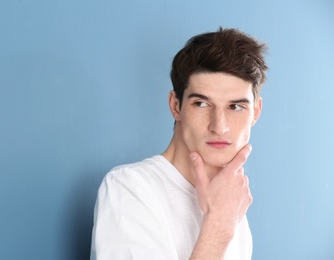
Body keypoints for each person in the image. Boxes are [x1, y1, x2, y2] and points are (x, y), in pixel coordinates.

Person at [90, 27, 268, 260]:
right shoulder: (129, 188)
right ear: (176, 106)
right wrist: (218, 228)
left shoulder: (231, 206)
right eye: (202, 104)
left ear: (255, 112)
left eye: (236, 107)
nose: (219, 126)